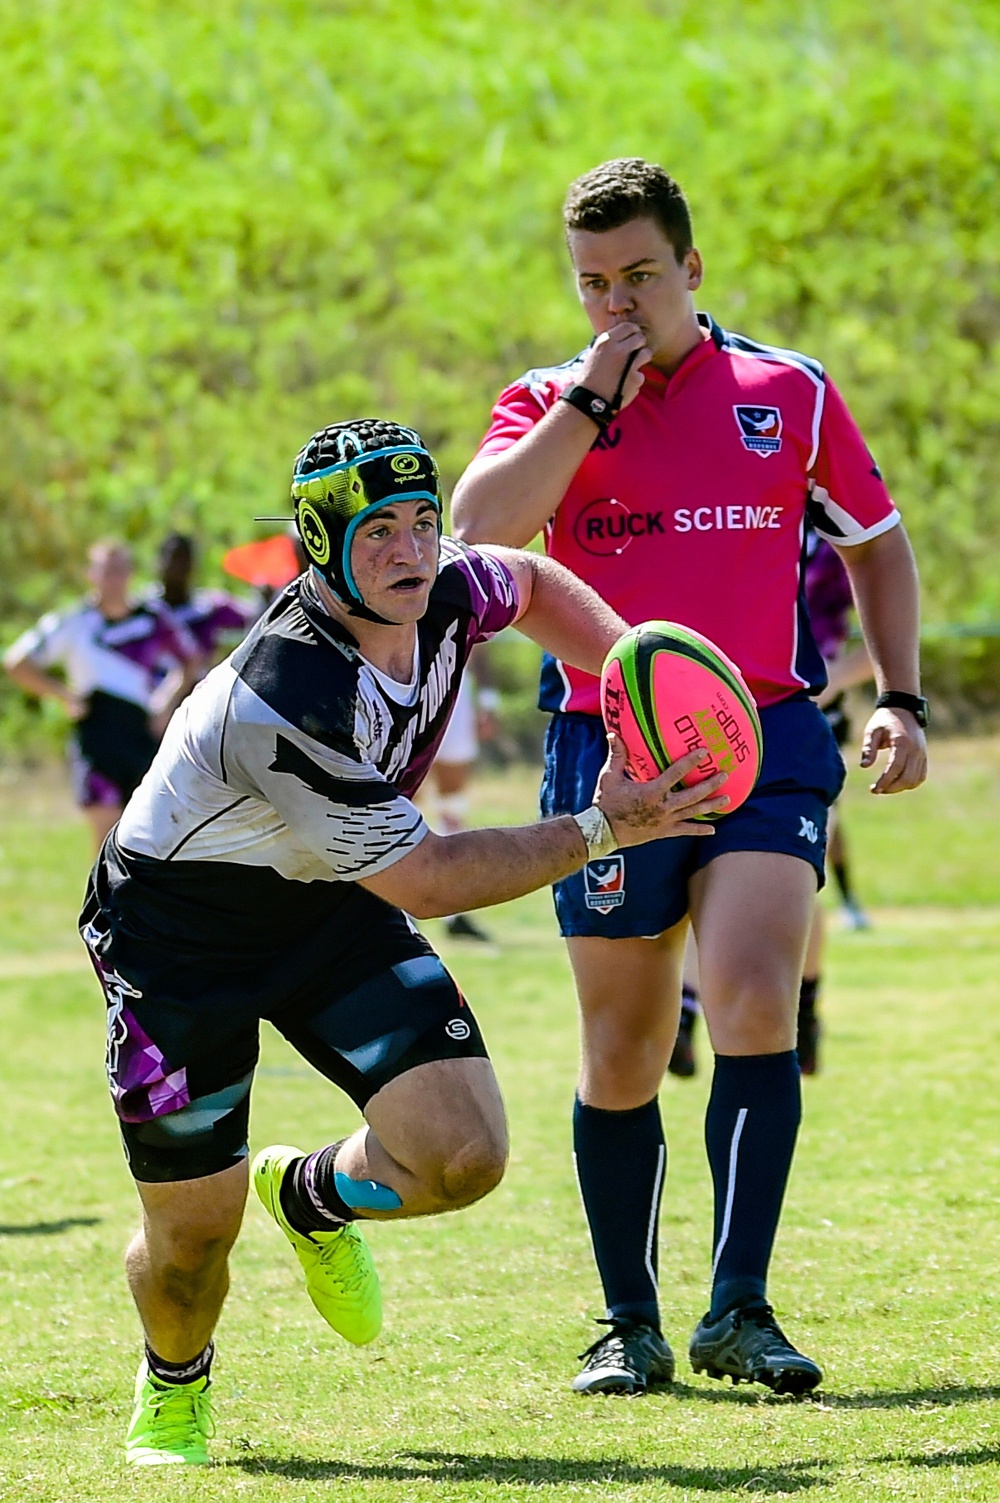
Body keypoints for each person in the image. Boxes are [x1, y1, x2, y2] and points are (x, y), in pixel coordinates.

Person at [79, 418, 728, 1466]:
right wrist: (606, 825)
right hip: (177, 932)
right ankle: (176, 1378)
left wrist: (629, 676)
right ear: (320, 544)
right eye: (377, 530)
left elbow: (532, 578)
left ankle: (309, 1193)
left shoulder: (448, 590)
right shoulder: (288, 692)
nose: (412, 551)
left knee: (462, 1160)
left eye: (424, 521)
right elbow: (425, 881)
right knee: (194, 1241)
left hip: (327, 902)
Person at [452, 158, 928, 1396]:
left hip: (766, 741)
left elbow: (877, 546)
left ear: (692, 267)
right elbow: (480, 538)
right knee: (621, 1045)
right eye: (593, 284)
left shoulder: (791, 391)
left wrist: (901, 696)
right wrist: (585, 408)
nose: (617, 304)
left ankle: (739, 1308)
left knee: (755, 1000)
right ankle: (628, 1321)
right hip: (607, 753)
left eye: (641, 278)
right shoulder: (544, 400)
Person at [3, 540, 199, 853]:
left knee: (150, 837)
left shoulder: (152, 618)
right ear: (90, 575)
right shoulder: (75, 622)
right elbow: (17, 661)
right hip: (97, 734)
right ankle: (104, 901)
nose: (113, 579)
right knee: (107, 838)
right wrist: (63, 695)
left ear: (131, 573)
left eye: (119, 570)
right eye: (106, 571)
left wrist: (166, 704)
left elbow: (190, 660)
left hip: (141, 733)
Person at [429, 646, 502, 941]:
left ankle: (452, 910)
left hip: (454, 697)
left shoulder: (465, 598)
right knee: (401, 798)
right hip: (401, 691)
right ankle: (398, 910)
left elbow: (481, 646)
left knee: (452, 804)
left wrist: (487, 703)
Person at [152, 533, 259, 675]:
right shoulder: (147, 610)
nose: (178, 567)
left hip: (197, 688)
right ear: (159, 563)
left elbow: (255, 619)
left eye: (185, 560)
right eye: (174, 559)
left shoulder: (209, 610)